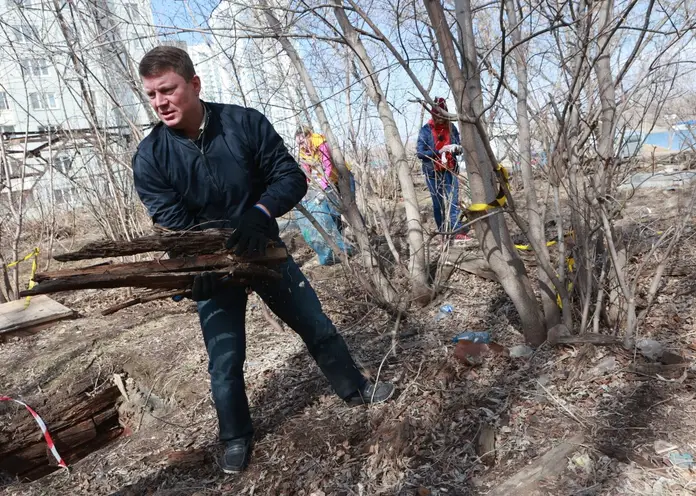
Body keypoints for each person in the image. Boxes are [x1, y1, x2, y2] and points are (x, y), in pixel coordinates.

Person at [132, 46, 394, 474]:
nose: (160, 102)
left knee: (317, 326)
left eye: (168, 90)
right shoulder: (150, 158)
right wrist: (195, 267)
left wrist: (260, 213)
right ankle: (235, 436)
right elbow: (173, 225)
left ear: (194, 85)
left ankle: (355, 389)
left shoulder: (243, 122)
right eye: (151, 95)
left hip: (265, 251)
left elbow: (290, 175)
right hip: (212, 268)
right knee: (225, 361)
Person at [416, 98, 471, 242]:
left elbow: (458, 145)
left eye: (443, 116)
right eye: (437, 116)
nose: (441, 119)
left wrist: (456, 148)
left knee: (453, 201)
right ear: (433, 115)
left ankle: (456, 231)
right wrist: (438, 151)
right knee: (438, 204)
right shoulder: (426, 130)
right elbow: (420, 153)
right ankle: (442, 233)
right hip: (432, 172)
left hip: (450, 170)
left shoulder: (452, 127)